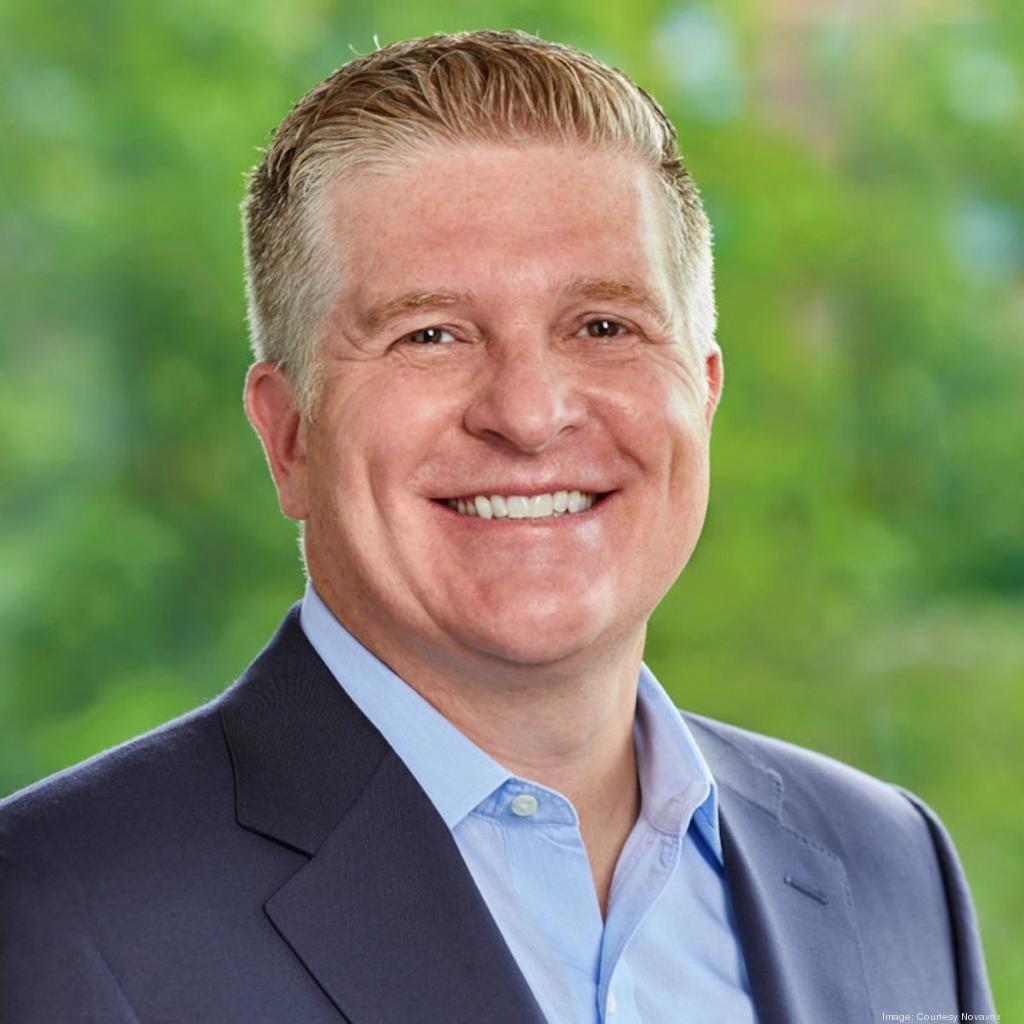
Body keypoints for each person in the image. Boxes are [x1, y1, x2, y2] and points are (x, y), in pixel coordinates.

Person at [0, 30, 995, 1024]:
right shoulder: (54, 911)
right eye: (429, 334)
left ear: (701, 395)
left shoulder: (890, 863)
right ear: (289, 435)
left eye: (603, 326)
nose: (527, 413)